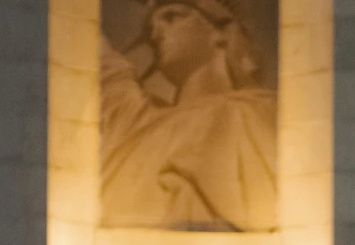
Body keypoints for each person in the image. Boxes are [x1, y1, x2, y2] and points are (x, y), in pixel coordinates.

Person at [99, 0, 278, 232]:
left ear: (221, 33)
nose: (155, 33)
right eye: (151, 26)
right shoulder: (138, 121)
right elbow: (97, 56)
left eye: (172, 17)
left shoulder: (259, 114)